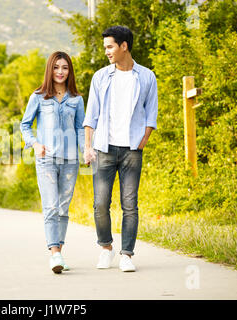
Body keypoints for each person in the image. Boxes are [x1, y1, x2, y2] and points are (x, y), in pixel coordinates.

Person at [83, 26, 158, 272]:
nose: (106, 51)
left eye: (110, 46)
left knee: (130, 204)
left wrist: (141, 142)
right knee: (100, 204)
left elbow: (151, 115)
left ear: (124, 46)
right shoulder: (101, 77)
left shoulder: (146, 77)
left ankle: (127, 254)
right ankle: (106, 248)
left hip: (131, 150)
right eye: (106, 47)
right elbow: (90, 116)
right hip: (104, 148)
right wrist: (88, 147)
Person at [20, 51, 85, 274]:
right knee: (51, 206)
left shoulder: (76, 99)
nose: (60, 72)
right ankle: (55, 254)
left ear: (70, 71)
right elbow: (25, 125)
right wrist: (35, 144)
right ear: (50, 69)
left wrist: (86, 149)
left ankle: (59, 251)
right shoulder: (38, 97)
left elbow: (79, 128)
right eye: (56, 67)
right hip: (46, 160)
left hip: (70, 161)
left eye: (65, 68)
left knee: (64, 209)